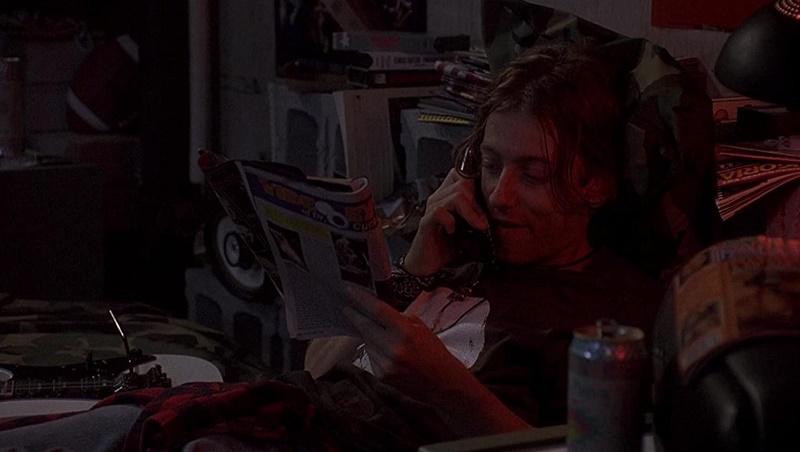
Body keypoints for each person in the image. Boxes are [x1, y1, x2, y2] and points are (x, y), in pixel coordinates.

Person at [0, 42, 663, 451]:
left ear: (597, 184)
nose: (502, 195)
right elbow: (319, 364)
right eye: (490, 165)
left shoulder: (615, 311)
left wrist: (444, 387)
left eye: (534, 174)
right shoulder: (465, 247)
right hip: (290, 411)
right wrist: (414, 264)